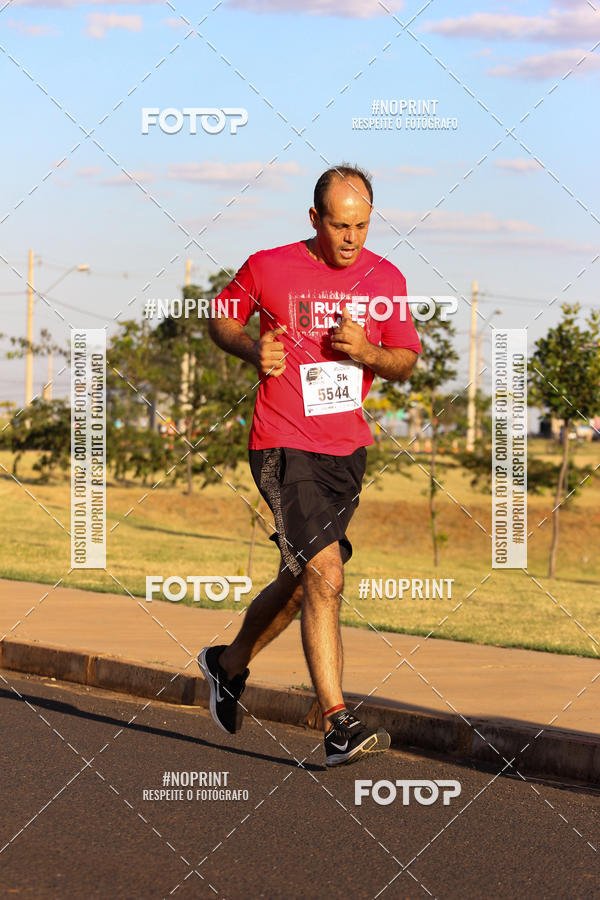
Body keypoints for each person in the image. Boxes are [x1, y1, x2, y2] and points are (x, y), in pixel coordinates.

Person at [198, 164, 421, 767]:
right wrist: (251, 346)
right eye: (341, 225)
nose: (352, 238)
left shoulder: (386, 278)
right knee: (326, 572)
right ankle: (338, 724)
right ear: (315, 218)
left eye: (362, 226)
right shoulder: (269, 266)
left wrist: (368, 351)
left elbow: (405, 360)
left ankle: (227, 664)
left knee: (302, 581)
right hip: (281, 443)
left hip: (346, 451)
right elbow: (221, 316)